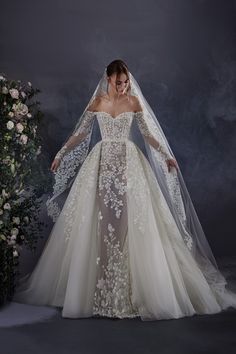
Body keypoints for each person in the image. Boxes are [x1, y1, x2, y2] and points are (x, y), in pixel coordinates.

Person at [13, 59, 236, 321]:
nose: (123, 87)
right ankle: (99, 287)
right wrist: (61, 154)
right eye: (118, 82)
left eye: (126, 82)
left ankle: (134, 288)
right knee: (100, 222)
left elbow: (148, 133)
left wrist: (166, 155)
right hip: (101, 165)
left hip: (130, 166)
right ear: (107, 79)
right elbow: (81, 133)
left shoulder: (133, 102)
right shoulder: (97, 103)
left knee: (133, 223)